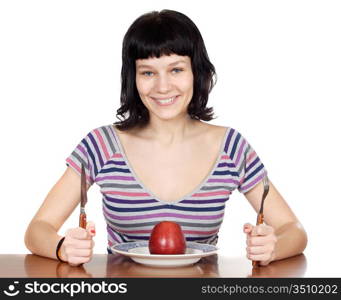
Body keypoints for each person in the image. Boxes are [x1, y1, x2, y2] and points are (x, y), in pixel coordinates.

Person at [25, 9, 307, 267]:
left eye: (176, 70)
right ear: (132, 79)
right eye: (148, 72)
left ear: (196, 72)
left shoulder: (231, 148)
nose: (162, 86)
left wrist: (273, 246)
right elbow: (38, 229)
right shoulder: (101, 145)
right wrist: (63, 247)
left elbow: (293, 231)